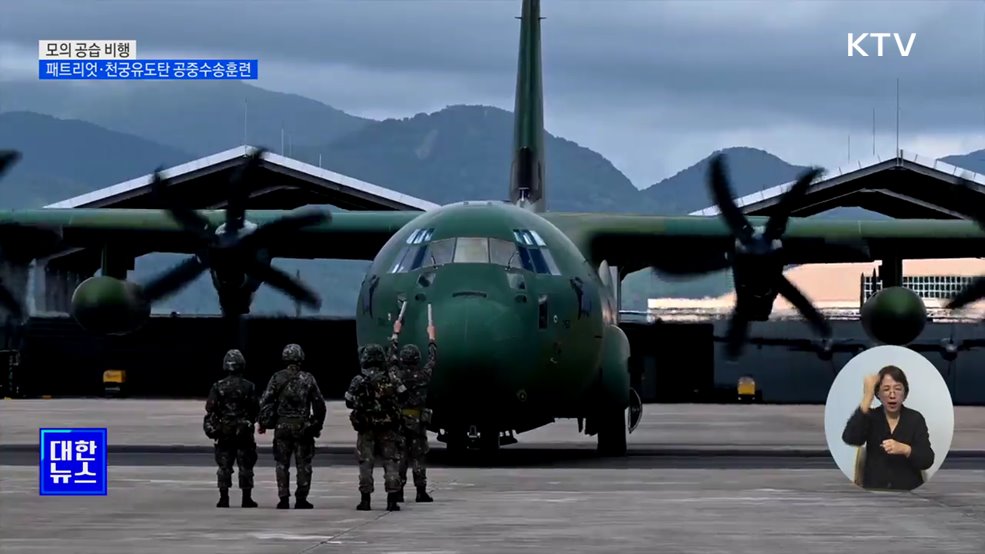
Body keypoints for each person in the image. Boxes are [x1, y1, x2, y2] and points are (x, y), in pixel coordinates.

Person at [842, 364, 934, 491]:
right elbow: (850, 438)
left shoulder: (915, 419)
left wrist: (905, 449)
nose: (892, 395)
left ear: (905, 393)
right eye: (886, 389)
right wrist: (867, 397)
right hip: (875, 491)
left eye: (897, 389)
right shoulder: (871, 417)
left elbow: (927, 460)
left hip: (909, 492)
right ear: (878, 394)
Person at [258, 343, 327, 509]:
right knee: (304, 464)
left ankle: (283, 498)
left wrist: (262, 422)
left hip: (282, 426)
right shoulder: (308, 379)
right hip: (302, 427)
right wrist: (316, 425)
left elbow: (265, 401)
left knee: (282, 463)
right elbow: (320, 405)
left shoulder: (277, 378)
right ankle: (301, 498)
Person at [345, 341, 406, 512]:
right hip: (388, 428)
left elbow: (348, 402)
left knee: (366, 463)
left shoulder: (358, 379)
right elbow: (404, 395)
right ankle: (392, 500)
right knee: (391, 462)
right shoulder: (392, 378)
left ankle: (365, 500)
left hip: (366, 429)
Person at [203, 349, 259, 508]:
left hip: (224, 431)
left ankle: (224, 498)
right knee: (246, 466)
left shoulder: (218, 386)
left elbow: (210, 407)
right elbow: (255, 409)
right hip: (244, 433)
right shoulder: (249, 386)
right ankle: (246, 498)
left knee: (224, 466)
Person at [393, 307, 437, 503]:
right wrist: (431, 338)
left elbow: (389, 360)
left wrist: (395, 334)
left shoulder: (396, 375)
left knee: (400, 456)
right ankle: (421, 491)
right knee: (419, 456)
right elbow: (433, 360)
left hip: (401, 419)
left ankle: (399, 491)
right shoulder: (423, 376)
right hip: (418, 420)